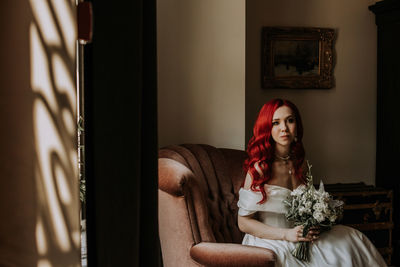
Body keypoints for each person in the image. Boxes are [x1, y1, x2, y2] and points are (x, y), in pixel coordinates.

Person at [237, 98, 386, 267]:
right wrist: (287, 235)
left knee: (351, 237)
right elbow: (243, 222)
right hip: (271, 239)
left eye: (290, 121)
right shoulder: (259, 169)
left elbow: (305, 209)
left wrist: (315, 223)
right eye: (275, 123)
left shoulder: (300, 163)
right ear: (267, 128)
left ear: (297, 126)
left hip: (301, 235)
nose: (284, 128)